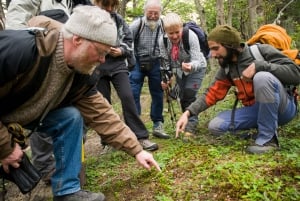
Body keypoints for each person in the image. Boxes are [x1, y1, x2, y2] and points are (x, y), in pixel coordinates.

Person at [0, 5, 161, 201]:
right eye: (100, 52)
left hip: (22, 117)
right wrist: (5, 147)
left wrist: (137, 150)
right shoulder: (20, 50)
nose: (103, 60)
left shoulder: (82, 73)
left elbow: (102, 114)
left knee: (70, 117)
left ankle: (67, 191)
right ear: (77, 39)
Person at [176, 25, 300, 154]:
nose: (212, 54)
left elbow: (296, 74)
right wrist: (188, 113)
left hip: (284, 108)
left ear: (230, 45)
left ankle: (268, 140)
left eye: (216, 48)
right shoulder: (227, 68)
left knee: (262, 77)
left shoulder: (260, 51)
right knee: (216, 126)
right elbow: (211, 93)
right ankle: (256, 135)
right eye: (211, 49)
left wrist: (260, 66)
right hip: (257, 110)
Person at [5, 0, 92, 183]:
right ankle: (44, 166)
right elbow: (17, 23)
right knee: (37, 124)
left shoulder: (72, 3)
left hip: (58, 66)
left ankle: (68, 184)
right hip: (30, 64)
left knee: (70, 117)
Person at [93, 0, 158, 151]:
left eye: (112, 6)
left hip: (117, 64)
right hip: (97, 64)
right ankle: (107, 141)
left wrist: (122, 50)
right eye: (106, 6)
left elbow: (128, 40)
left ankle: (140, 137)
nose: (109, 10)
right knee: (104, 104)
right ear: (97, 4)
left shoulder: (118, 20)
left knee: (128, 97)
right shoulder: (90, 19)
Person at [159, 13, 207, 141]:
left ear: (181, 28)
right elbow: (165, 63)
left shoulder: (190, 36)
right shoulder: (162, 41)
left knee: (189, 94)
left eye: (177, 32)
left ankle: (191, 128)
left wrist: (191, 66)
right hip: (179, 70)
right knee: (182, 97)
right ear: (165, 31)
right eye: (170, 33)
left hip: (197, 68)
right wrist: (166, 78)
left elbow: (198, 59)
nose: (174, 36)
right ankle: (186, 122)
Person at [129, 0, 170, 139]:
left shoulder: (165, 26)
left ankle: (158, 124)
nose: (153, 16)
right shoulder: (137, 25)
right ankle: (136, 126)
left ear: (160, 13)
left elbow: (167, 46)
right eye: (150, 13)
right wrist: (130, 62)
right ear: (145, 12)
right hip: (137, 62)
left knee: (158, 92)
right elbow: (128, 42)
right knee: (133, 92)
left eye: (156, 13)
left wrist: (166, 69)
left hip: (157, 62)